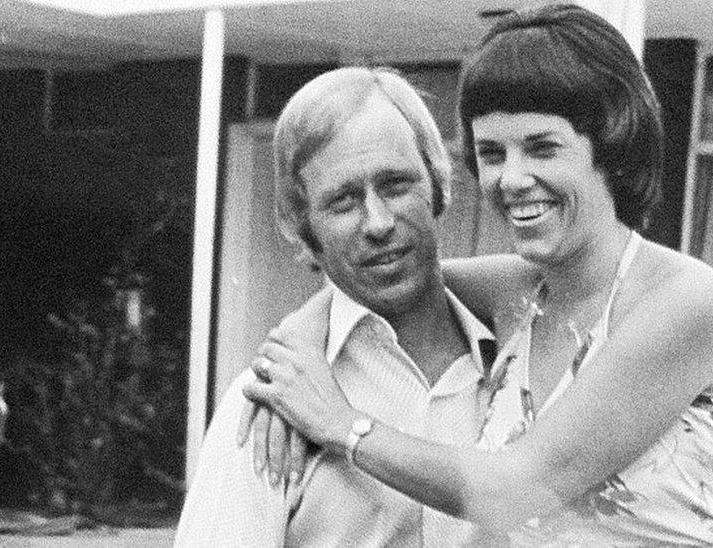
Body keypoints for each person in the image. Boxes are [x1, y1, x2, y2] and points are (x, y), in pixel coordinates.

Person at [242, 4, 713, 546]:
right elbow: (382, 276)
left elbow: (516, 489)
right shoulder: (520, 293)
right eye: (491, 153)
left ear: (611, 142)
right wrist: (294, 352)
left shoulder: (684, 300)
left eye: (541, 147)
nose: (512, 179)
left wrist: (338, 423)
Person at [173, 66, 498, 547]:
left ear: (437, 186)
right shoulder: (274, 401)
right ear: (305, 230)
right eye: (343, 200)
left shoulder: (524, 362)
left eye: (395, 184)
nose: (378, 222)